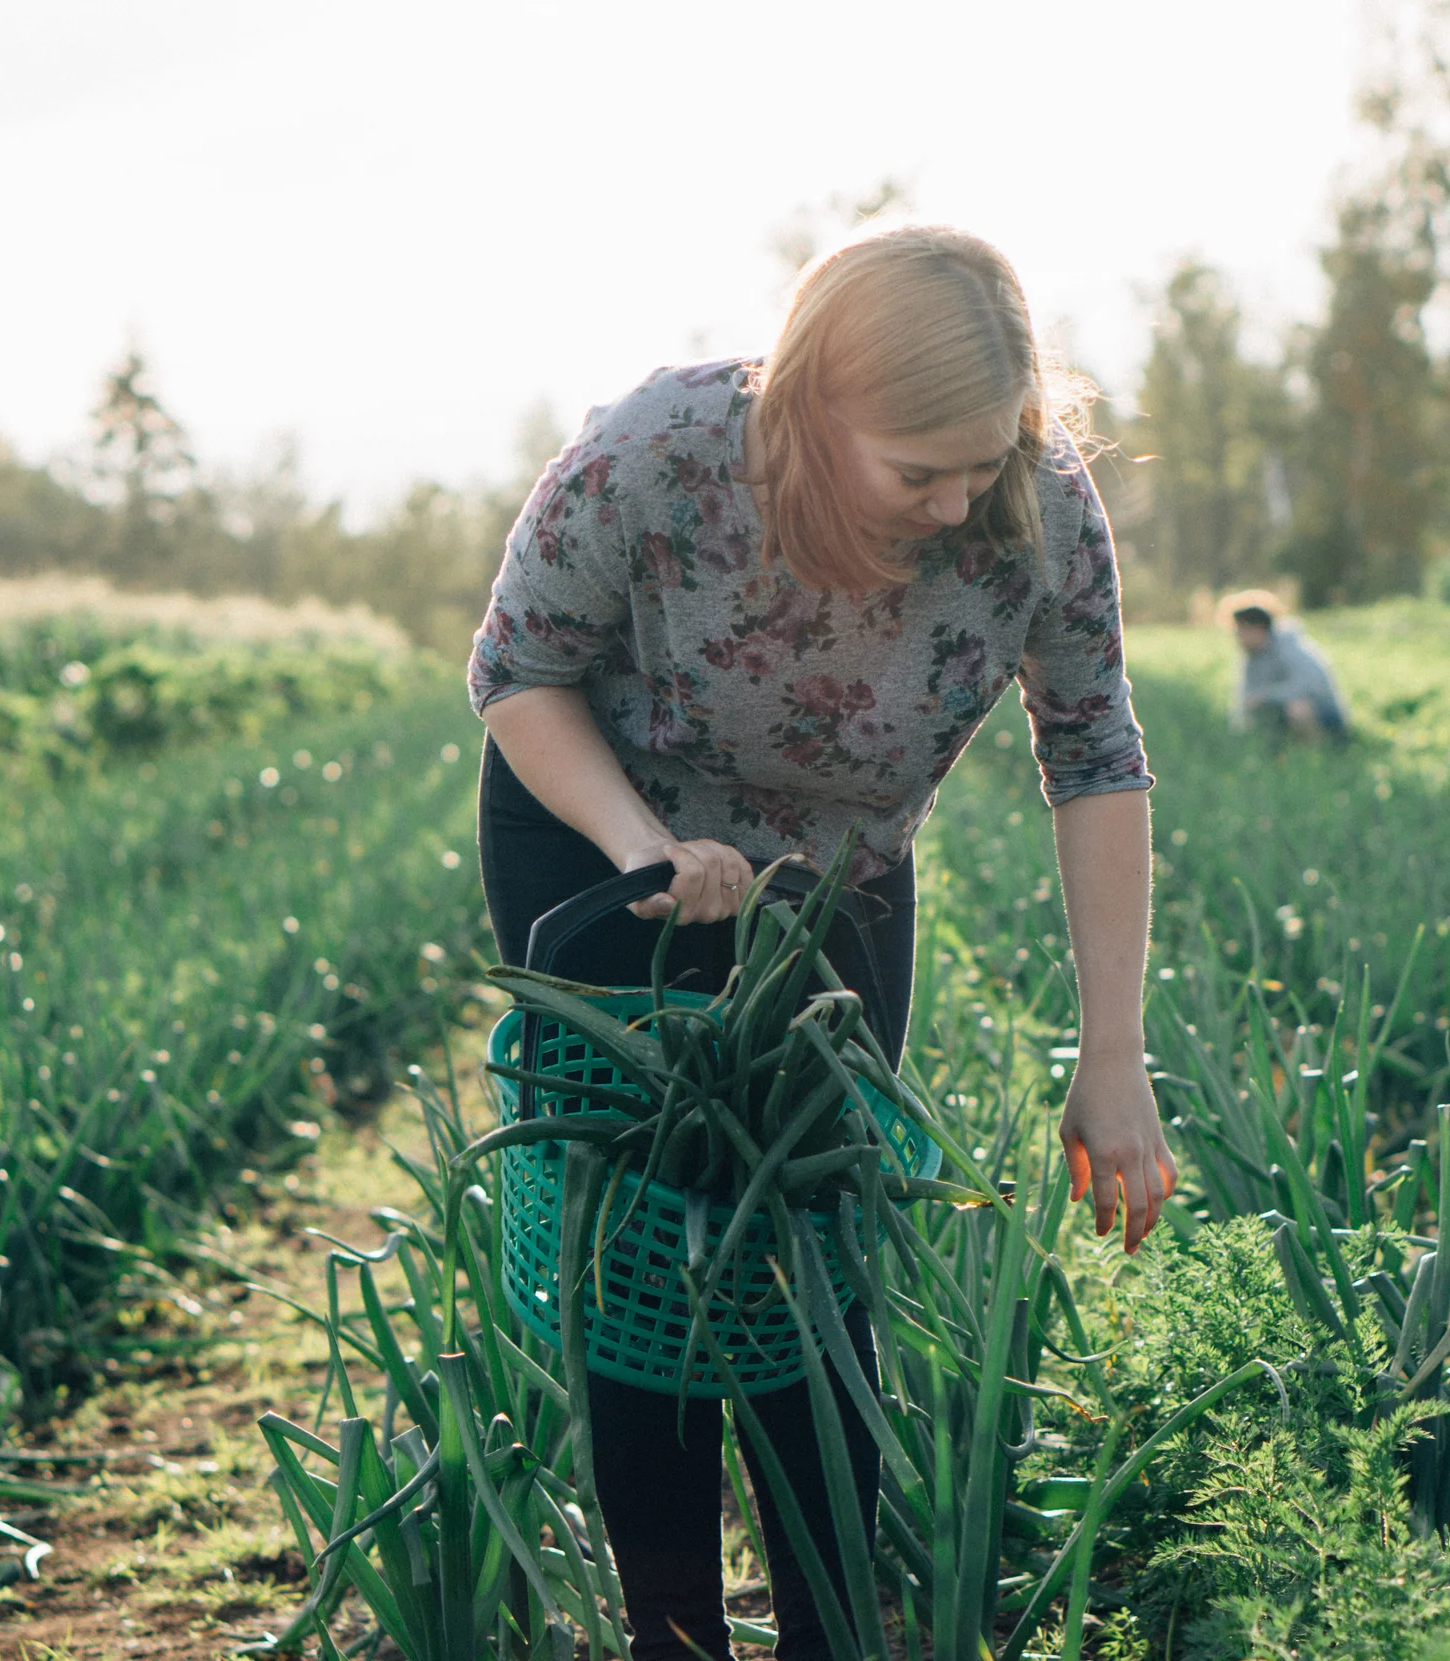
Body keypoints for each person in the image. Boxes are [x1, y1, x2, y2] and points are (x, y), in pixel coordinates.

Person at [466, 225, 1176, 1661]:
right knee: (647, 1253)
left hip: (836, 876)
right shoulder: (661, 451)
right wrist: (646, 848)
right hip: (608, 834)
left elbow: (1095, 753)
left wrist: (1115, 1053)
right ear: (811, 405)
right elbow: (516, 671)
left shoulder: (1034, 505)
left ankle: (830, 1633)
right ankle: (674, 1631)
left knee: (815, 1244)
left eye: (985, 459)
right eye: (922, 471)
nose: (959, 499)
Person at [1218, 588, 1348, 744]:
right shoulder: (1250, 659)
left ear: (1258, 629)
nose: (1238, 639)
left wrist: (1267, 696)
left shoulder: (1292, 648)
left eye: (1241, 632)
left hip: (1324, 714)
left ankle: (1315, 757)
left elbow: (1310, 685)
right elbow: (1244, 699)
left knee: (1297, 708)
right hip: (1282, 716)